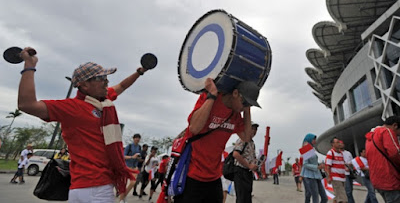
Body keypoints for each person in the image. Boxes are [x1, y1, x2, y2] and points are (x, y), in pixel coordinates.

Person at [17, 47, 150, 202]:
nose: (106, 81)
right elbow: (27, 104)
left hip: (85, 188)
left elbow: (121, 87)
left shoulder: (102, 103)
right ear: (84, 85)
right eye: (100, 78)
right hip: (95, 189)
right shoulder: (71, 107)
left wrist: (140, 72)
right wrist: (29, 65)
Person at [173, 79, 260, 203]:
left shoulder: (235, 115)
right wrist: (212, 95)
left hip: (214, 178)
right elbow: (194, 128)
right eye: (244, 103)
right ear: (235, 93)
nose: (244, 107)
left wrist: (247, 109)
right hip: (191, 175)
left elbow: (246, 137)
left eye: (249, 105)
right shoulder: (210, 98)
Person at [365, 115, 400, 203]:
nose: (397, 135)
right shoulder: (386, 131)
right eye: (398, 132)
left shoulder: (371, 136)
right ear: (395, 125)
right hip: (390, 178)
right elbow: (395, 153)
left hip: (377, 180)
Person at [233, 122, 259, 203]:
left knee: (247, 197)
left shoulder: (252, 143)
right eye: (252, 128)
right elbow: (236, 154)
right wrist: (248, 165)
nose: (254, 131)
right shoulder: (242, 139)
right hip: (240, 171)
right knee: (241, 197)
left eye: (255, 129)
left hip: (248, 173)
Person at [300, 134, 327, 203]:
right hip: (310, 176)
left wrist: (319, 165)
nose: (315, 141)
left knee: (324, 198)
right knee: (315, 198)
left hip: (316, 175)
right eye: (314, 139)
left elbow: (313, 162)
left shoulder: (312, 149)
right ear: (309, 140)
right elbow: (305, 164)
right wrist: (317, 167)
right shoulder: (306, 149)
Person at [325, 137, 347, 203]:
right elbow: (327, 166)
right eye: (337, 142)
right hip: (336, 178)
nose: (339, 144)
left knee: (337, 197)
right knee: (343, 199)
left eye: (339, 142)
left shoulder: (341, 153)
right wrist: (329, 177)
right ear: (332, 144)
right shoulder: (330, 153)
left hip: (342, 178)